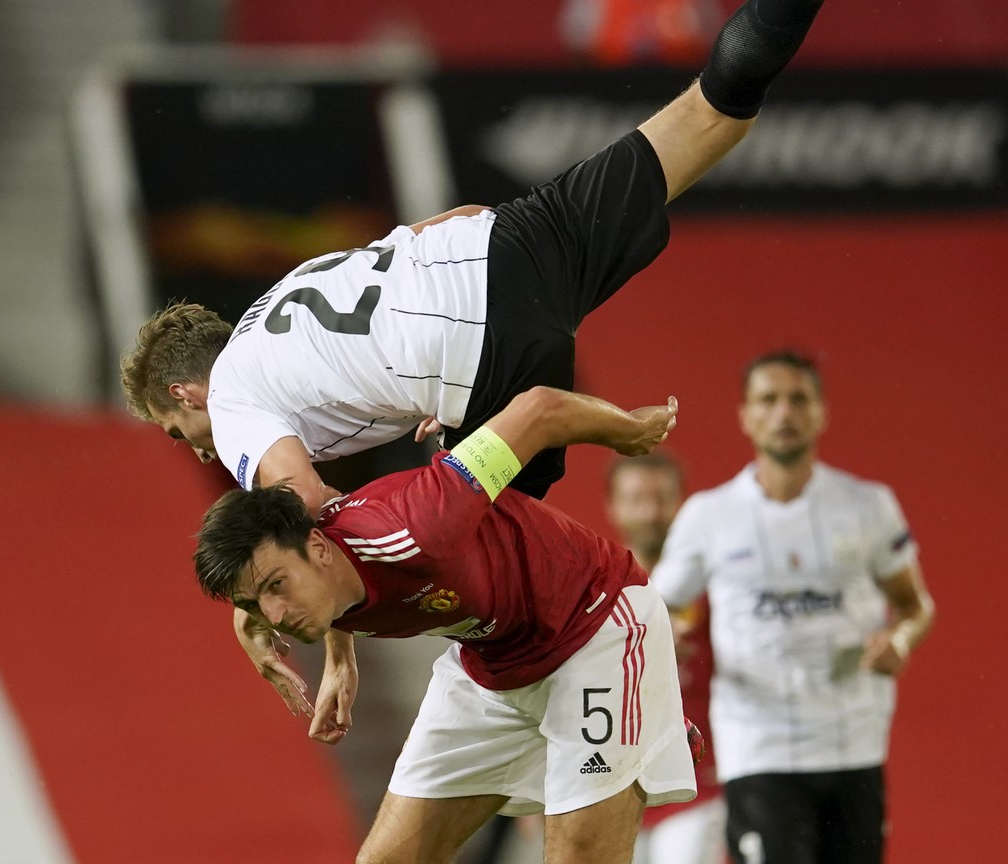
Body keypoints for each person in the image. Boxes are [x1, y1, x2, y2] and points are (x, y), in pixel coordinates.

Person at [119, 0, 830, 733]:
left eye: (180, 429)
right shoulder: (287, 294)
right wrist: (427, 369)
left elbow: (303, 509)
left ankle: (616, 704)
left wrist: (305, 635)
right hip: (511, 241)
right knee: (716, 107)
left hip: (493, 354)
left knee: (499, 568)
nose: (198, 447)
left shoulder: (233, 404)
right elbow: (449, 219)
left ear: (186, 390)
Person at [193, 385, 689, 864]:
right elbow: (299, 578)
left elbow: (540, 408)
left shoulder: (419, 523)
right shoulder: (304, 579)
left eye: (277, 586)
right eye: (252, 604)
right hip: (492, 661)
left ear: (319, 549)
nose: (274, 615)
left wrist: (627, 430)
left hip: (594, 627)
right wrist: (339, 661)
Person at [650, 351, 936, 864]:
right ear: (746, 416)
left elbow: (915, 606)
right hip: (757, 744)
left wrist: (900, 639)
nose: (784, 412)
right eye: (769, 399)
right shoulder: (709, 516)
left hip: (854, 741)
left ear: (822, 413)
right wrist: (664, 631)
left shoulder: (868, 506)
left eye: (798, 399)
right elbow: (655, 607)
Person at [607, 455, 727, 864]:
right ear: (614, 506)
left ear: (680, 503)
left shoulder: (715, 584)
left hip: (695, 783)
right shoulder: (595, 586)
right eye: (638, 498)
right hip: (610, 784)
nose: (651, 512)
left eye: (661, 499)